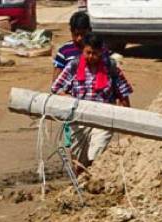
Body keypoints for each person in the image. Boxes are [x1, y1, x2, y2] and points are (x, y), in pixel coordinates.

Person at [50, 32, 133, 171]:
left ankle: (93, 178)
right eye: (88, 52)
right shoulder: (74, 66)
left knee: (95, 156)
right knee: (79, 163)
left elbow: (123, 95)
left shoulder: (111, 68)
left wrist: (127, 121)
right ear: (83, 50)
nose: (91, 57)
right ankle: (81, 185)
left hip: (104, 118)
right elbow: (56, 87)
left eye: (95, 53)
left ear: (101, 52)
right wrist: (66, 97)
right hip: (78, 120)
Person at [53, 11, 92, 81]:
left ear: (89, 30)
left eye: (83, 34)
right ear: (71, 32)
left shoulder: (98, 49)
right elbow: (56, 81)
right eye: (76, 34)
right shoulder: (64, 52)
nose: (79, 38)